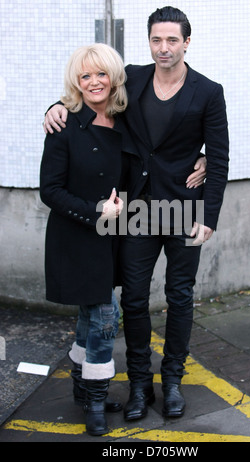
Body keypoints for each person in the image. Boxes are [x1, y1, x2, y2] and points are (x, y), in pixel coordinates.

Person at [43, 6, 229, 421]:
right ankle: (141, 385)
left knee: (180, 297)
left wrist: (209, 215)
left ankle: (174, 381)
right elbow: (93, 88)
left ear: (186, 42)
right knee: (135, 299)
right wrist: (55, 105)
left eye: (172, 40)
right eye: (156, 40)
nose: (164, 48)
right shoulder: (133, 76)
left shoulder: (208, 91)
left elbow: (220, 157)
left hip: (184, 208)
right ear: (149, 42)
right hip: (137, 208)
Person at [40, 43, 137, 436]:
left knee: (88, 315)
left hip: (112, 238)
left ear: (113, 78)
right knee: (104, 316)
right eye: (85, 76)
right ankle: (96, 401)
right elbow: (49, 190)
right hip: (76, 237)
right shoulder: (64, 123)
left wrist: (202, 158)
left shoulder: (125, 120)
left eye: (101, 74)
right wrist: (95, 211)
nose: (94, 82)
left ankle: (83, 389)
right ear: (75, 82)